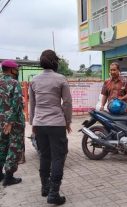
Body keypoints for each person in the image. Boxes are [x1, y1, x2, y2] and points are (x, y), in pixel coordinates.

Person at [29, 50, 72, 205]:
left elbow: (32, 104)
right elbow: (67, 103)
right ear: (55, 62)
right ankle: (54, 193)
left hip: (39, 124)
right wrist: (68, 122)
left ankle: (45, 188)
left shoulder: (34, 80)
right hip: (56, 123)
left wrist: (33, 123)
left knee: (44, 156)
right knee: (58, 157)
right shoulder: (61, 79)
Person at [0, 60, 25, 186]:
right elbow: (17, 104)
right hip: (14, 122)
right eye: (16, 69)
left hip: (0, 121)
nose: (17, 71)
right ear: (11, 70)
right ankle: (9, 177)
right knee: (14, 147)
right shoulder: (14, 83)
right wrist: (10, 121)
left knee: (2, 146)